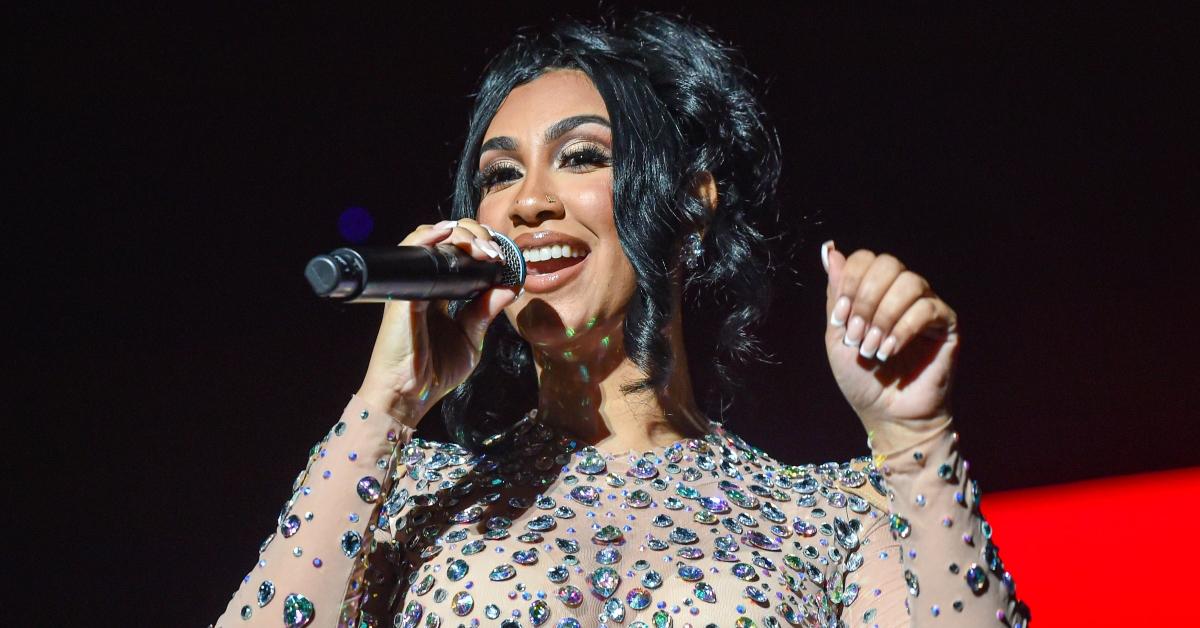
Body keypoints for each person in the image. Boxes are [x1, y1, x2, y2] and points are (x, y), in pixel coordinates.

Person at [215, 13, 1028, 628]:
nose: (529, 201)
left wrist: (916, 446)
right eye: (500, 174)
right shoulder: (408, 498)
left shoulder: (830, 519)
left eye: (582, 157)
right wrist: (385, 405)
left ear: (689, 205)